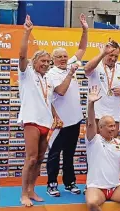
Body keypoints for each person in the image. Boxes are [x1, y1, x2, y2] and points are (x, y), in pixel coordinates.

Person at [46, 13, 88, 197]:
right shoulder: (51, 74)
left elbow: (81, 48)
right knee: (55, 154)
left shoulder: (71, 63)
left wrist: (85, 29)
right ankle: (51, 184)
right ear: (53, 59)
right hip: (59, 123)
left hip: (75, 120)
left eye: (65, 56)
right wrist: (70, 74)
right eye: (60, 57)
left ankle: (70, 183)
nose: (64, 59)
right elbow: (61, 91)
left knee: (70, 154)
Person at [18, 15, 54, 207]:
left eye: (49, 62)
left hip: (45, 122)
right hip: (31, 120)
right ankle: (23, 193)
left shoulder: (47, 79)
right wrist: (27, 32)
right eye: (43, 61)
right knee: (31, 158)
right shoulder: (27, 74)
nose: (46, 64)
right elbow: (22, 55)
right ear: (35, 61)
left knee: (39, 159)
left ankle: (32, 190)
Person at [84, 40, 120, 132]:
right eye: (110, 55)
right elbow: (86, 69)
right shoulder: (96, 65)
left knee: (111, 145)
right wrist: (102, 54)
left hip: (114, 117)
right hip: (96, 115)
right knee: (94, 143)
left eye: (116, 56)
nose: (113, 58)